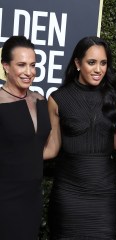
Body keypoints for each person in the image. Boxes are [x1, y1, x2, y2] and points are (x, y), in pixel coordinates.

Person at [43, 36, 116, 239]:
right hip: (69, 192)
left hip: (104, 195)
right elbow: (52, 148)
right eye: (91, 62)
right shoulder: (57, 99)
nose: (98, 69)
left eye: (103, 63)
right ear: (78, 63)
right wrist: (12, 153)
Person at [0, 35, 51, 240]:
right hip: (4, 197)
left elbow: (39, 146)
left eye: (33, 65)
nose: (29, 72)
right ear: (6, 66)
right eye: (21, 65)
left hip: (32, 197)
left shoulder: (39, 99)